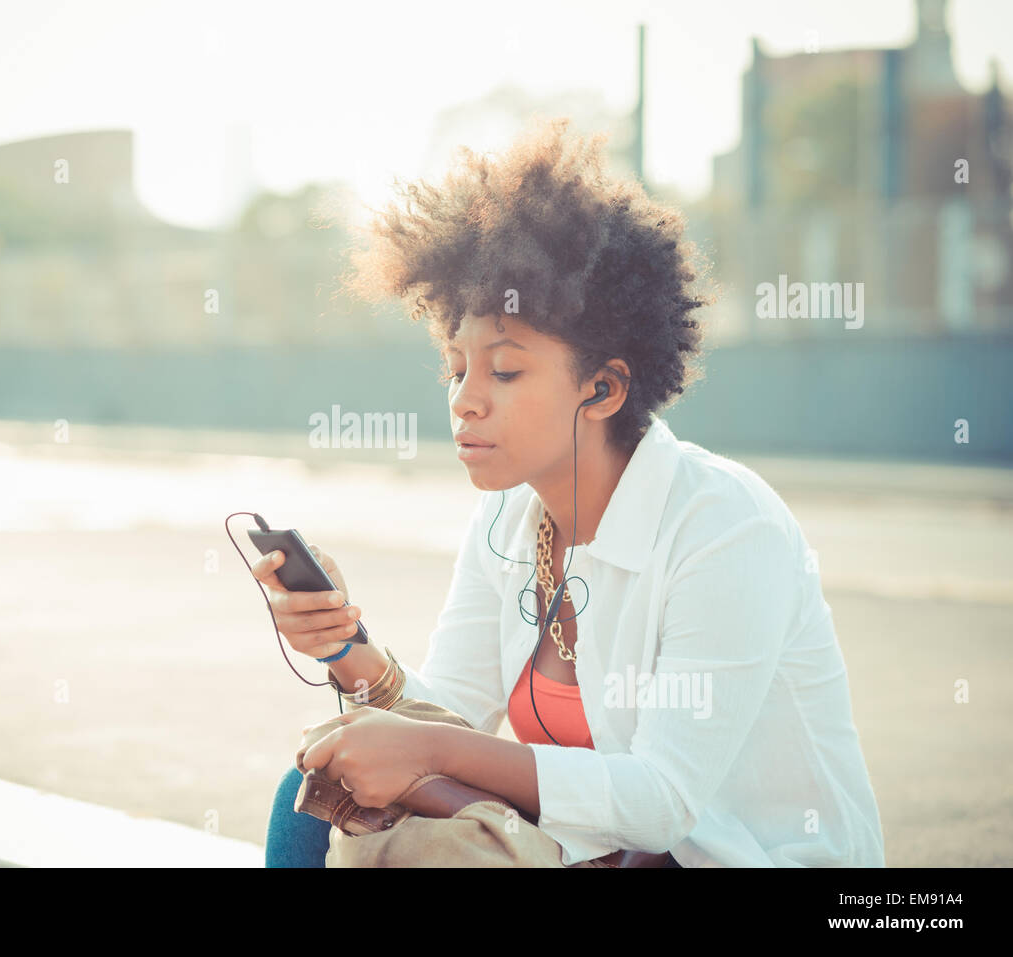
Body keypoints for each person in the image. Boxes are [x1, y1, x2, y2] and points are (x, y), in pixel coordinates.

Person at [261, 117, 885, 867]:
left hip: (731, 859)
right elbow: (450, 712)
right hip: (604, 853)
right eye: (456, 365)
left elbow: (661, 803)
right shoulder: (507, 517)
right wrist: (343, 643)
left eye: (506, 369)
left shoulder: (723, 524)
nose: (464, 399)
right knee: (312, 792)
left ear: (605, 386)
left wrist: (423, 745)